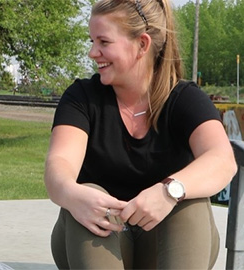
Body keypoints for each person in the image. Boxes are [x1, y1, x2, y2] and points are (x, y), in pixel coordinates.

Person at [44, 0, 237, 269]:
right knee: (87, 197)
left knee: (188, 202)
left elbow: (223, 160)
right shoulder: (81, 98)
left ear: (142, 44)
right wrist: (71, 194)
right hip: (97, 238)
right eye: (92, 41)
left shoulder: (184, 99)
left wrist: (169, 191)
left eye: (103, 42)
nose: (92, 52)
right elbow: (59, 164)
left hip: (164, 240)